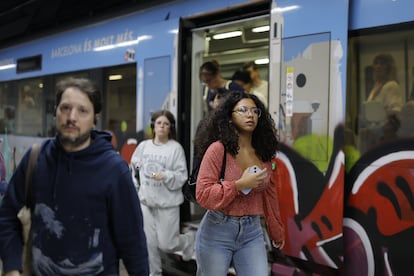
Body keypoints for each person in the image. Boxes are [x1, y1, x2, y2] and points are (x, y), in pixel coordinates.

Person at [0, 77, 149, 275]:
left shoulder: (113, 170)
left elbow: (133, 243)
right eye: (65, 108)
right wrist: (11, 267)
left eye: (82, 110)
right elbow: (7, 216)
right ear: (55, 113)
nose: (72, 117)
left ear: (95, 118)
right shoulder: (35, 159)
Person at [194, 91, 285, 276]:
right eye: (242, 110)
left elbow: (269, 193)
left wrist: (276, 230)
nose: (250, 115)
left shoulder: (263, 151)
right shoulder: (218, 150)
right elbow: (202, 194)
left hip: (252, 232)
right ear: (230, 117)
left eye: (254, 111)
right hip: (217, 230)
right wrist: (238, 185)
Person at [130, 110, 194, 276]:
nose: (162, 127)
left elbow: (182, 176)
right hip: (146, 203)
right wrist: (139, 167)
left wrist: (165, 175)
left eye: (166, 124)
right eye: (159, 123)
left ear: (170, 127)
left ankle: (188, 241)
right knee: (149, 245)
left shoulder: (175, 149)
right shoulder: (143, 146)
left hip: (168, 204)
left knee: (167, 245)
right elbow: (134, 166)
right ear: (153, 125)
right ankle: (154, 273)